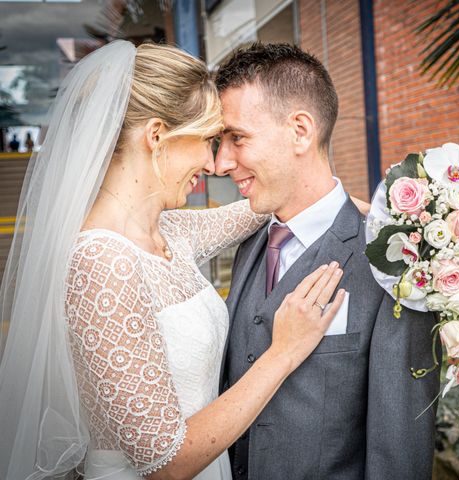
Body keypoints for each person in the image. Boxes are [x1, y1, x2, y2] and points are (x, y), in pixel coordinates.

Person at [0, 41, 349, 480]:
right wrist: (284, 353)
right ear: (157, 136)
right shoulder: (101, 262)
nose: (215, 162)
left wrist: (362, 208)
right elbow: (165, 463)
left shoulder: (170, 231)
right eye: (208, 140)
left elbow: (258, 207)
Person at [215, 43, 441, 480]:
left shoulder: (396, 267)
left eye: (237, 138)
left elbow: (399, 449)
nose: (222, 163)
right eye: (219, 142)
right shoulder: (250, 244)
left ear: (300, 130)